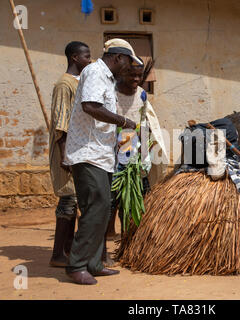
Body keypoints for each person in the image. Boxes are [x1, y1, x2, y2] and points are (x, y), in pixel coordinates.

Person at [64, 38, 142, 285]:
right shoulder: (96, 72)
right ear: (118, 58)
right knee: (96, 207)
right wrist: (123, 121)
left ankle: (94, 263)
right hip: (88, 153)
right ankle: (76, 265)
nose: (129, 68)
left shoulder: (106, 78)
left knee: (100, 208)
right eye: (128, 62)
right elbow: (90, 106)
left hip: (101, 154)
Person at [105, 61, 169, 247]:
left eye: (139, 76)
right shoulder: (111, 93)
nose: (136, 79)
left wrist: (145, 151)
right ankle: (108, 231)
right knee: (113, 194)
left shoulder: (141, 94)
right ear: (122, 73)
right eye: (131, 75)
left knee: (136, 193)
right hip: (113, 146)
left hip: (134, 146)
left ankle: (129, 236)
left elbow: (144, 121)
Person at [48, 41, 91, 267]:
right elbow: (60, 122)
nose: (89, 60)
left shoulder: (79, 82)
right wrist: (65, 155)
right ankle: (57, 255)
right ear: (74, 57)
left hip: (78, 150)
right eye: (86, 56)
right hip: (66, 151)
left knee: (74, 201)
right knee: (68, 200)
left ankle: (68, 248)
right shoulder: (64, 85)